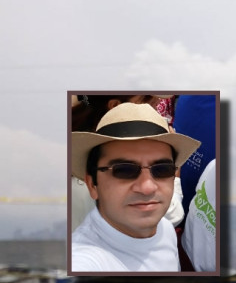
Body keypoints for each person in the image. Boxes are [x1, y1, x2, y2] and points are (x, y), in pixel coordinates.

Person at [70, 102, 200, 272]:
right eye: (124, 170)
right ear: (92, 184)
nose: (147, 187)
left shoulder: (165, 229)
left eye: (162, 169)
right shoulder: (82, 261)